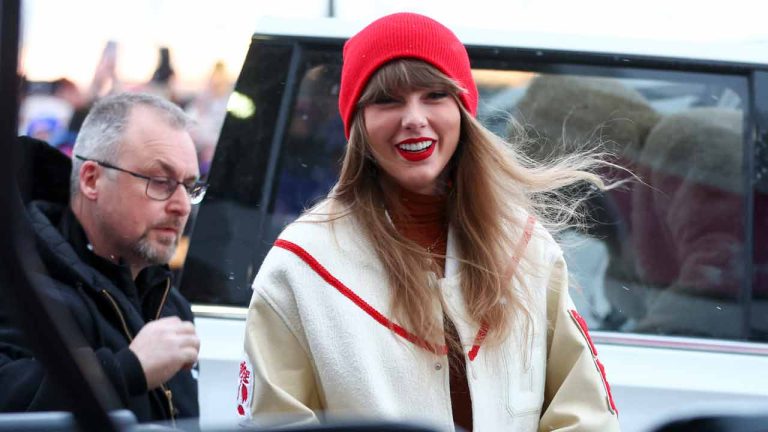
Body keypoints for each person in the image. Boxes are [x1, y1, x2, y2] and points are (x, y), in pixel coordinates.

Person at [240, 12, 620, 431]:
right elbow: (275, 423)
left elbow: (585, 414)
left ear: (462, 111)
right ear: (358, 124)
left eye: (434, 95)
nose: (414, 118)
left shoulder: (526, 244)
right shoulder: (301, 265)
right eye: (388, 100)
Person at [0, 92, 206, 423]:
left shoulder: (168, 300)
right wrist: (127, 369)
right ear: (92, 180)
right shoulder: (23, 285)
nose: (182, 206)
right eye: (161, 182)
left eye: (190, 186)